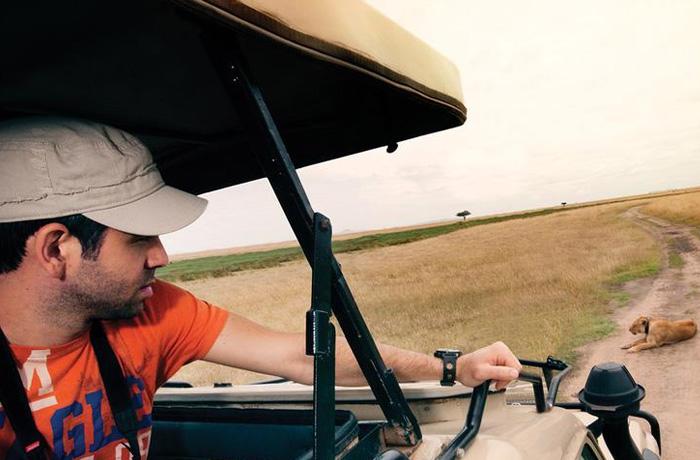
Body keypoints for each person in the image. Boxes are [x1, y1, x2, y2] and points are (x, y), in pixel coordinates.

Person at [0, 117, 522, 459]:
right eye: (139, 240)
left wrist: (451, 368)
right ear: (55, 250)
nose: (161, 256)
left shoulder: (154, 314)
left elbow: (303, 357)